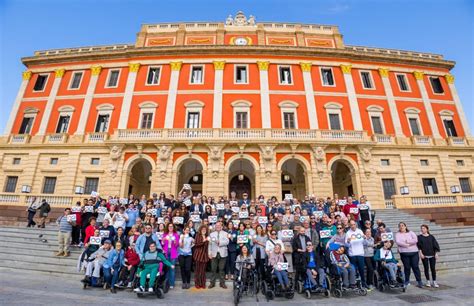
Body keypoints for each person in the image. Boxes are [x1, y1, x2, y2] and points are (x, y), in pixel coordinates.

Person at [395, 222, 422, 288]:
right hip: (404, 253)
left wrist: (408, 242)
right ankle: (407, 281)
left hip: (414, 252)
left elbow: (415, 240)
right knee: (407, 267)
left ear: (405, 226)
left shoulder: (411, 232)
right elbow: (398, 242)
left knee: (415, 267)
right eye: (400, 226)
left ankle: (419, 281)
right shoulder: (397, 234)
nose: (401, 227)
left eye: (403, 225)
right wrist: (406, 245)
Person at [345, 220, 366, 288]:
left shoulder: (360, 231)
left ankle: (363, 283)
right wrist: (348, 241)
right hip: (352, 254)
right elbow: (346, 245)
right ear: (349, 225)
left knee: (361, 269)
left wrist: (365, 238)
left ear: (356, 225)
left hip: (360, 253)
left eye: (354, 224)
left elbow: (364, 242)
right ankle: (355, 284)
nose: (353, 226)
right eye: (351, 225)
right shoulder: (348, 233)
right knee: (354, 270)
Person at [208, 221, 230, 289]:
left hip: (223, 253)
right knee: (213, 269)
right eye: (216, 226)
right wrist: (209, 253)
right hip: (214, 253)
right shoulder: (211, 234)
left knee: (221, 269)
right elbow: (210, 244)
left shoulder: (225, 233)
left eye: (219, 225)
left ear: (221, 226)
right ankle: (212, 283)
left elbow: (227, 242)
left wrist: (220, 242)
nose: (218, 227)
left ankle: (222, 283)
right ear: (215, 226)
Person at [193, 225, 210, 289]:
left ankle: (203, 283)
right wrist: (203, 241)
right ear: (200, 230)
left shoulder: (207, 237)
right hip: (198, 255)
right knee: (197, 271)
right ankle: (197, 283)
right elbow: (196, 244)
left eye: (205, 230)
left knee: (203, 271)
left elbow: (208, 246)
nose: (204, 230)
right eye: (203, 229)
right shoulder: (198, 235)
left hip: (204, 256)